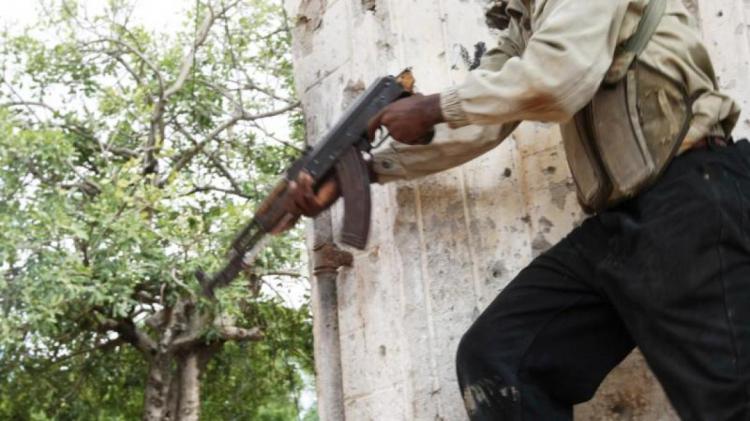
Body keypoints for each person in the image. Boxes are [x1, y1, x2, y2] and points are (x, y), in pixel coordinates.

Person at [282, 0, 750, 419]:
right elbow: (487, 119)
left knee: (726, 399)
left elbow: (558, 77)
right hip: (618, 223)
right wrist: (363, 171)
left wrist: (435, 107)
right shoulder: (525, 20)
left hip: (692, 191)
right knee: (500, 361)